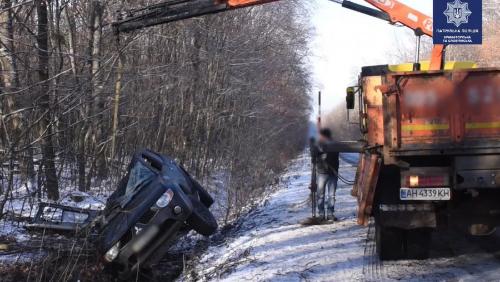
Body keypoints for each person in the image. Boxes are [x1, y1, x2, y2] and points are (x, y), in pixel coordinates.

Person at [316, 128, 339, 221]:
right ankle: (321, 214)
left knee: (331, 195)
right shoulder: (318, 145)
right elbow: (314, 156)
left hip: (332, 173)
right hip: (322, 173)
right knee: (321, 195)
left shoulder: (334, 145)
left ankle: (330, 214)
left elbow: (335, 156)